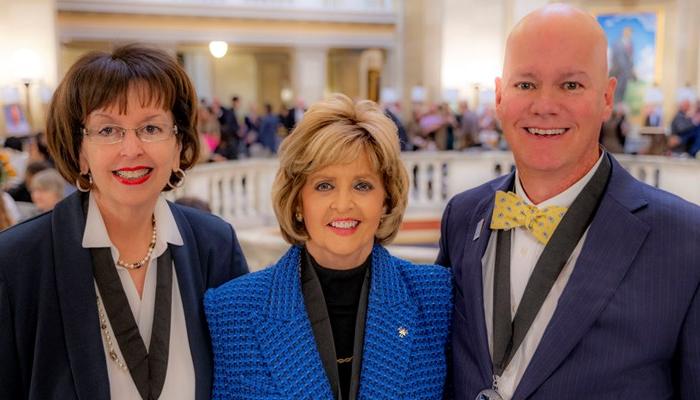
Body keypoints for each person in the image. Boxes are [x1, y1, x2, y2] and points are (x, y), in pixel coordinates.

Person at [437, 4, 700, 399]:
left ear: (607, 97)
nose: (544, 105)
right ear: (499, 96)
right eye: (525, 84)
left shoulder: (686, 240)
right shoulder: (461, 216)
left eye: (571, 85)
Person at [0, 44, 248, 400]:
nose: (131, 149)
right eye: (107, 130)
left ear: (179, 144)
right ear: (80, 150)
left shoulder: (214, 245)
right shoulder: (16, 263)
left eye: (151, 127)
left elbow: (243, 382)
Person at [205, 93, 452, 399]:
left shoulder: (435, 297)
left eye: (362, 185)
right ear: (298, 200)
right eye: (324, 185)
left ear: (386, 198)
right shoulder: (232, 310)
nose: (343, 204)